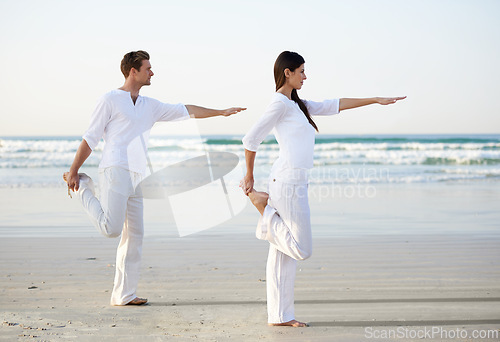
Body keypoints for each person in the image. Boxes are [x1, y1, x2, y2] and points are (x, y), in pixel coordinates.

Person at [63, 50, 246, 306]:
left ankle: (123, 294)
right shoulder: (110, 99)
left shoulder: (151, 106)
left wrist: (220, 112)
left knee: (134, 235)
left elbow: (186, 110)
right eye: (148, 68)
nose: (152, 72)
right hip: (115, 169)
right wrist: (74, 170)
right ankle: (83, 188)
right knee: (112, 229)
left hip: (138, 175)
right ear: (133, 71)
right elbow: (91, 137)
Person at [240, 51, 405, 327]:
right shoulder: (280, 104)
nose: (305, 76)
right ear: (287, 73)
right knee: (301, 249)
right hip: (287, 182)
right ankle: (261, 208)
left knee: (282, 255)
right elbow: (251, 137)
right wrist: (249, 176)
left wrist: (374, 99)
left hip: (293, 182)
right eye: (301, 71)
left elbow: (335, 104)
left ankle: (280, 316)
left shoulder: (298, 105)